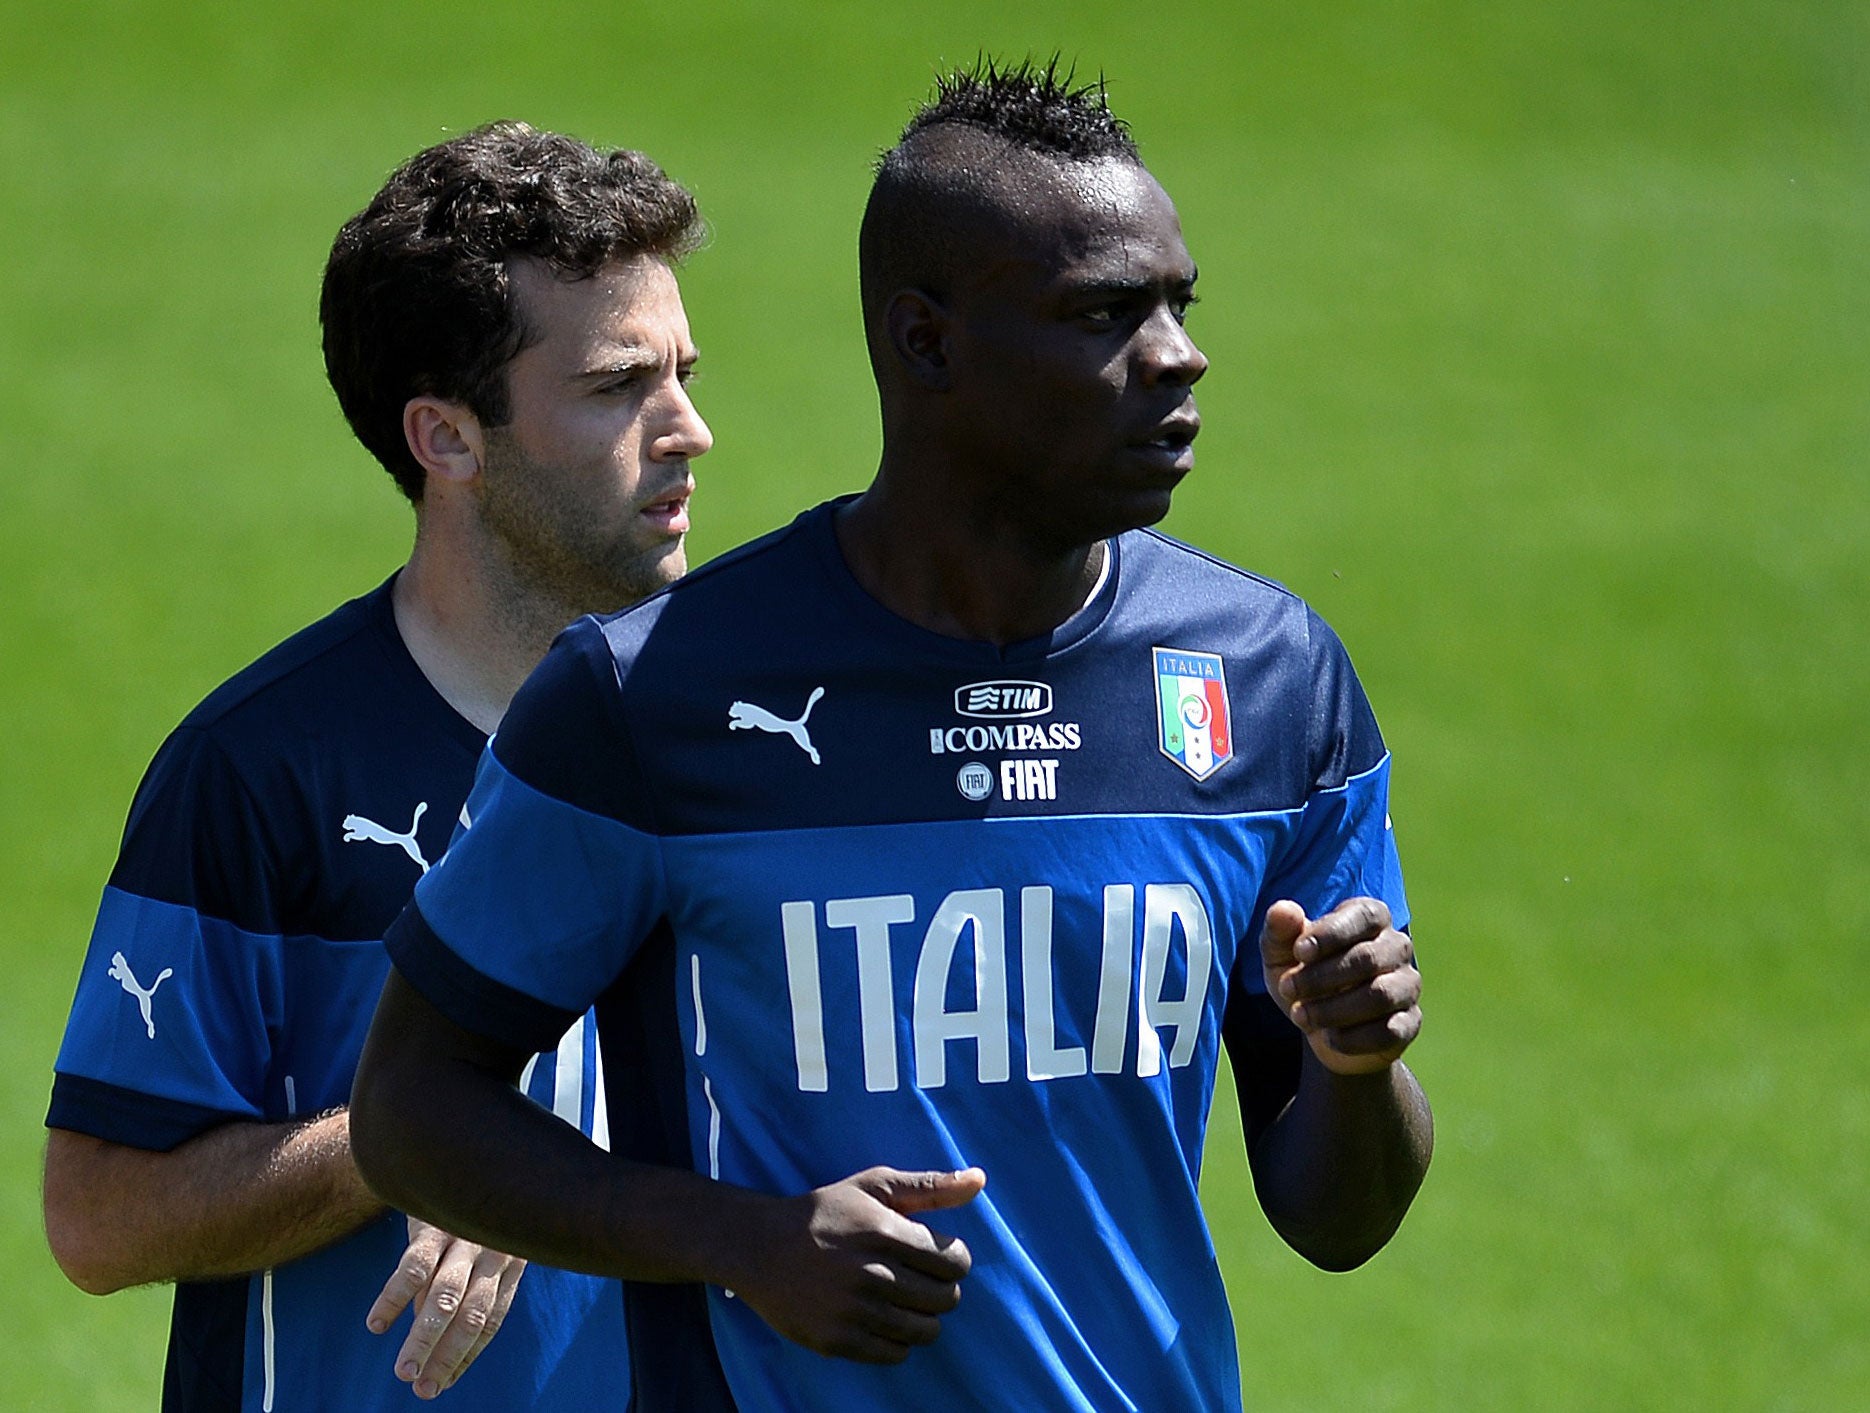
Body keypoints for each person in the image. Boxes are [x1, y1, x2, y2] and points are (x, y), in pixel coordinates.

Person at [350, 62, 1433, 1411]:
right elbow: (412, 1106)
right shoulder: (650, 698)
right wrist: (737, 1238)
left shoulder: (1269, 680)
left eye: (1175, 303)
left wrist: (1356, 1064)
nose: (1175, 353)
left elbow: (1339, 1216)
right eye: (1103, 312)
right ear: (925, 343)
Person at [43, 120, 714, 1410]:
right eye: (619, 384)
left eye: (684, 372)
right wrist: (432, 1138)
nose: (686, 429)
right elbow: (101, 1217)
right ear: (447, 438)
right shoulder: (262, 770)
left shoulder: (744, 740)